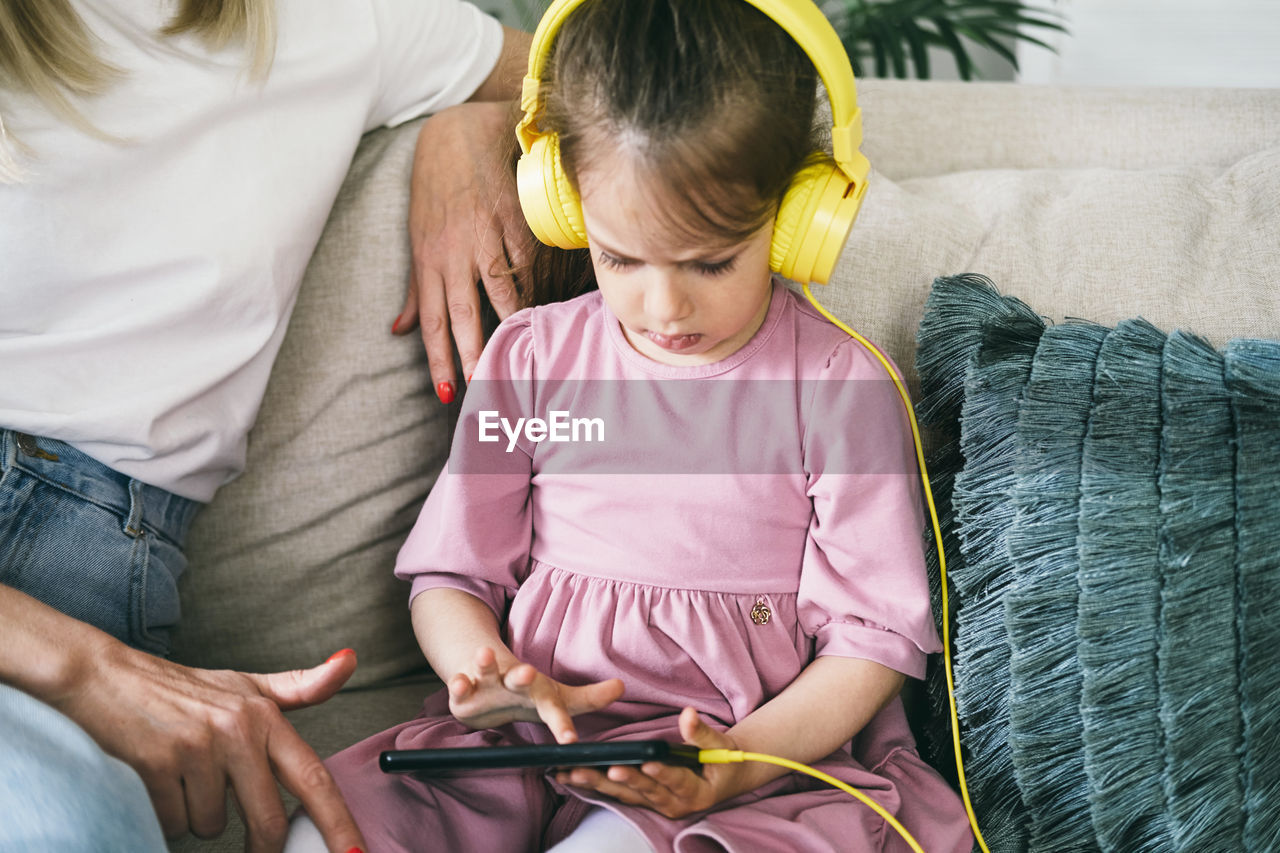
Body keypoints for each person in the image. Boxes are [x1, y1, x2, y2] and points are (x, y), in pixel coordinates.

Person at [288, 0, 977, 849]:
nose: (665, 307)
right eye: (620, 258)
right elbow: (450, 577)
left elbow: (872, 640)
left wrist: (741, 759)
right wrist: (479, 669)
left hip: (742, 769)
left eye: (711, 261)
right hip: (522, 745)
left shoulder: (837, 388)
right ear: (567, 209)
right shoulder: (532, 364)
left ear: (795, 216)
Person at [0, 0, 534, 850]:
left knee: (71, 825)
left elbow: (621, 81)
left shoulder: (341, 22)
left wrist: (485, 127)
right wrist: (83, 667)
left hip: (102, 558)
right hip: (48, 630)